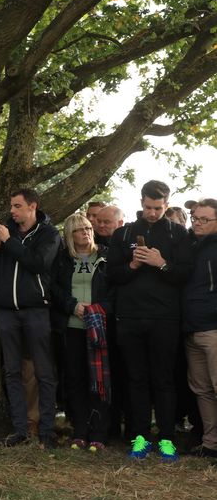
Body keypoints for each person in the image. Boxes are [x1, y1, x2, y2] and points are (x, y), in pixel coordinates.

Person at [107, 180, 192, 462]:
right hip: (129, 317)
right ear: (141, 202)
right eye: (147, 207)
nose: (152, 213)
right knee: (136, 379)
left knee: (164, 380)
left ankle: (166, 437)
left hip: (165, 318)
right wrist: (132, 265)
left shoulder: (179, 234)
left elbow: (184, 276)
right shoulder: (124, 233)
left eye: (157, 208)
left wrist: (161, 264)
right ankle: (140, 436)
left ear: (167, 204)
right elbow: (112, 276)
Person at [0, 188, 61, 448]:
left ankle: (47, 429)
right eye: (11, 206)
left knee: (44, 371)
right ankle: (19, 429)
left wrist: (8, 243)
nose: (12, 211)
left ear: (32, 206)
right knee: (12, 371)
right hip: (7, 310)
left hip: (35, 310)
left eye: (17, 206)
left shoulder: (49, 234)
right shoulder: (7, 233)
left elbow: (38, 264)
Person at [51, 213, 113, 452]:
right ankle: (80, 431)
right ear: (69, 235)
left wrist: (99, 309)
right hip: (72, 327)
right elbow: (53, 287)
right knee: (75, 379)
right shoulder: (63, 260)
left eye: (88, 228)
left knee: (99, 381)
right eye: (79, 230)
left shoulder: (105, 256)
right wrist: (72, 306)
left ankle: (99, 433)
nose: (85, 232)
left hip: (100, 328)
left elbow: (115, 290)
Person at [182, 198, 217, 459]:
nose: (198, 223)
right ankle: (211, 443)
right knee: (202, 389)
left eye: (205, 219)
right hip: (192, 328)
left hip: (213, 328)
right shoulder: (191, 245)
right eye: (195, 218)